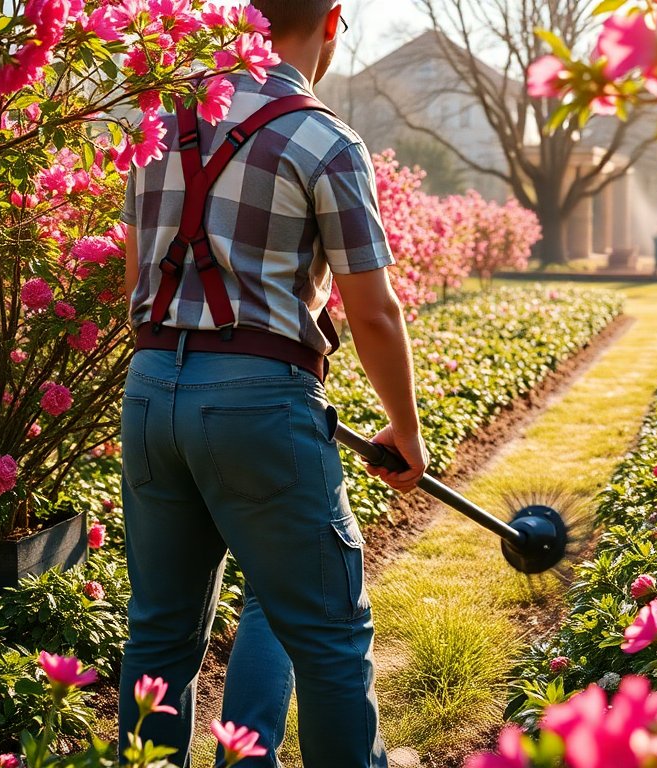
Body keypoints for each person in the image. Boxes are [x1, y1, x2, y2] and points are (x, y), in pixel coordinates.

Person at [117, 2, 426, 766]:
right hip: (259, 405)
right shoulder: (324, 138)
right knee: (327, 639)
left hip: (152, 390)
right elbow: (375, 311)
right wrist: (405, 430)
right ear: (333, 22)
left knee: (160, 632)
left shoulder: (162, 124)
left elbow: (133, 279)